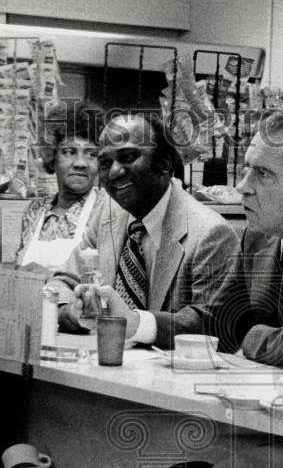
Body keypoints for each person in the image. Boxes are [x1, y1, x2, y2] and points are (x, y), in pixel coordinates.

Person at [94, 109, 283, 370]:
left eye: (262, 174)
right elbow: (218, 322)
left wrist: (250, 336)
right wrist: (135, 322)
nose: (242, 186)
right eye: (246, 168)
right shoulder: (260, 233)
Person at [57, 113, 239, 336]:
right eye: (105, 163)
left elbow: (209, 322)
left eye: (128, 156)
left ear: (164, 163)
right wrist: (71, 312)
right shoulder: (108, 212)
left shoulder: (211, 234)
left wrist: (135, 323)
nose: (114, 171)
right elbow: (62, 282)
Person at [14, 107, 107, 273]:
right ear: (52, 157)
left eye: (91, 154)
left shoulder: (107, 210)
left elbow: (108, 277)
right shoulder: (34, 211)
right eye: (69, 152)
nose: (81, 163)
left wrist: (51, 278)